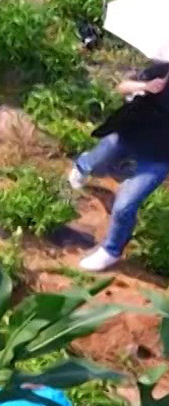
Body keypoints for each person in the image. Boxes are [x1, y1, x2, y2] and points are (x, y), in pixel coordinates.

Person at [68, 62, 169, 272]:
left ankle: (111, 251)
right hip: (126, 137)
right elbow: (122, 87)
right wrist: (146, 86)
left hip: (158, 159)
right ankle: (83, 166)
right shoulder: (162, 70)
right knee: (95, 165)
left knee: (125, 206)